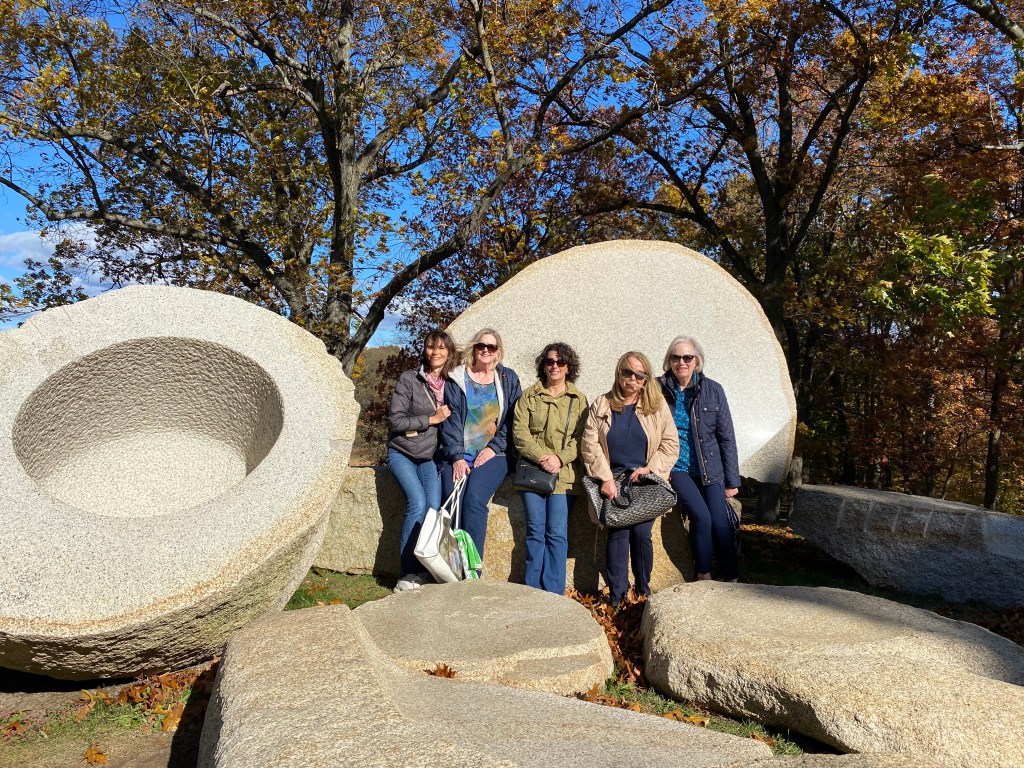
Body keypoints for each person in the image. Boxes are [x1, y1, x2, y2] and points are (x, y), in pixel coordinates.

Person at [581, 351, 678, 607]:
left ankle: (643, 593)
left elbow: (670, 444)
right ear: (619, 373)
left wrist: (650, 469)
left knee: (641, 533)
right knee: (618, 534)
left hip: (644, 480)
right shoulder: (602, 404)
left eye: (639, 375)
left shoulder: (657, 406)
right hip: (613, 480)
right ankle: (618, 598)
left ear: (646, 379)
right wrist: (604, 478)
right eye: (628, 372)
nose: (632, 379)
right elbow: (590, 445)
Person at [658, 336, 740, 582]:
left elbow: (726, 437)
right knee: (702, 518)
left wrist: (732, 480)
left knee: (720, 524)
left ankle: (732, 578)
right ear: (669, 360)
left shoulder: (713, 390)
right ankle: (704, 575)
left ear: (697, 361)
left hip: (710, 467)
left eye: (687, 357)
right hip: (677, 466)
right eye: (676, 357)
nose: (681, 362)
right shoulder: (657, 388)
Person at [440, 328, 522, 572]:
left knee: (474, 499)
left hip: (495, 454)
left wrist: (494, 447)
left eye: (491, 347)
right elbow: (450, 422)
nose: (486, 350)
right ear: (474, 348)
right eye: (481, 346)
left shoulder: (507, 378)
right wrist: (457, 457)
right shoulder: (457, 378)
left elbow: (514, 419)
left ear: (498, 352)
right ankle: (450, 568)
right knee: (451, 501)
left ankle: (472, 570)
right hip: (459, 453)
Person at [512, 343, 588, 594]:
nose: (555, 366)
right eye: (550, 361)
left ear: (568, 367)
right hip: (533, 472)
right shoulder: (529, 396)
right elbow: (519, 433)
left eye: (560, 362)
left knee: (556, 533)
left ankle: (554, 593)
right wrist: (543, 456)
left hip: (563, 476)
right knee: (535, 531)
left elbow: (582, 437)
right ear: (543, 366)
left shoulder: (578, 400)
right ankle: (533, 592)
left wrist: (559, 459)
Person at [387, 329, 457, 592]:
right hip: (402, 452)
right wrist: (431, 419)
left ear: (449, 352)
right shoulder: (410, 379)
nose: (435, 352)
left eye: (441, 348)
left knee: (432, 508)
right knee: (416, 503)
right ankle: (406, 574)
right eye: (430, 347)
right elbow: (396, 421)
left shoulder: (452, 383)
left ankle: (425, 570)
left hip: (429, 457)